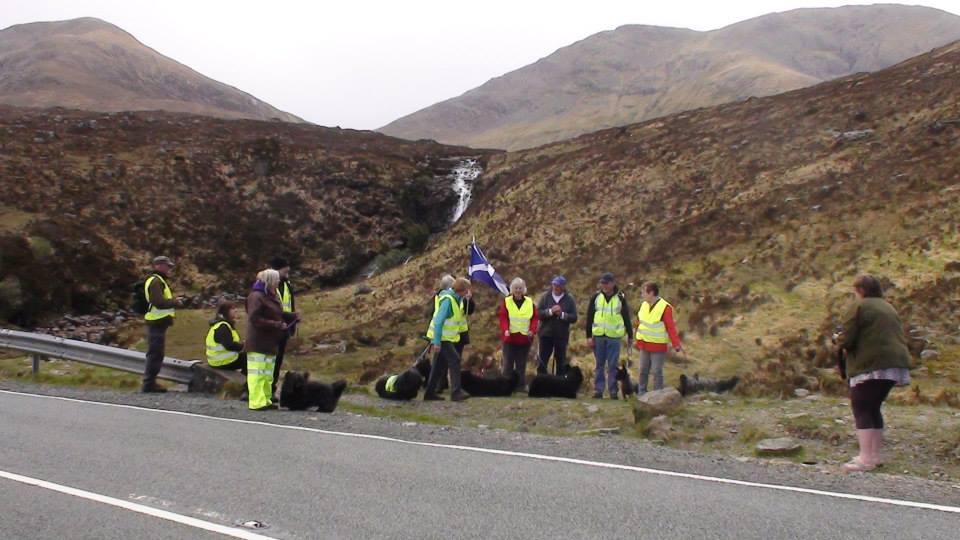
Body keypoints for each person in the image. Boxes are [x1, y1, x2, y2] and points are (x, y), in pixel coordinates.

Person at [837, 274, 911, 472]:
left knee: (861, 407)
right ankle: (874, 455)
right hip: (895, 363)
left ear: (860, 290)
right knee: (873, 407)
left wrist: (838, 339)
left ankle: (865, 459)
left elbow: (847, 338)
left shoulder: (859, 306)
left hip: (870, 364)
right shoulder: (887, 306)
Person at [245, 269, 299, 410]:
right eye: (276, 280)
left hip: (270, 342)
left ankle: (266, 398)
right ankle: (256, 401)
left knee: (267, 373)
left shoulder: (270, 296)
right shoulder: (256, 297)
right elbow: (254, 318)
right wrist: (276, 324)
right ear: (269, 281)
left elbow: (278, 314)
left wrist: (292, 316)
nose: (278, 283)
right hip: (258, 341)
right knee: (257, 372)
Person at [424, 277, 471, 402]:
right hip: (442, 338)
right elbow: (439, 322)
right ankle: (456, 392)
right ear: (461, 290)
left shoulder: (456, 299)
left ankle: (429, 393)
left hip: (445, 338)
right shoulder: (448, 300)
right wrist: (437, 342)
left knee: (438, 365)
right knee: (455, 360)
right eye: (467, 290)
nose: (468, 292)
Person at [585, 272, 632, 399]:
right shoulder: (596, 297)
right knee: (599, 364)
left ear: (613, 283)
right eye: (602, 283)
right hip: (598, 336)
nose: (604, 285)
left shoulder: (620, 298)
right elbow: (589, 317)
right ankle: (598, 390)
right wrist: (589, 336)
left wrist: (630, 335)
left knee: (613, 365)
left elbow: (626, 316)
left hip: (614, 337)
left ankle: (613, 391)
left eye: (606, 283)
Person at [141, 256, 183, 393]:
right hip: (156, 322)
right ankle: (149, 383)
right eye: (167, 266)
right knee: (155, 353)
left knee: (156, 352)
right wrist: (175, 302)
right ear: (158, 266)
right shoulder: (156, 281)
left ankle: (150, 382)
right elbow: (158, 302)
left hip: (158, 322)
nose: (169, 269)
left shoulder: (158, 281)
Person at [634, 281, 682, 394]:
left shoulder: (665, 307)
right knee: (643, 371)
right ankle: (642, 394)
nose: (642, 295)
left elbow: (670, 327)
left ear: (651, 293)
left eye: (644, 292)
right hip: (644, 345)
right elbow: (638, 322)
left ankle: (658, 396)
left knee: (657, 372)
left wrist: (676, 344)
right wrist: (635, 337)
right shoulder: (644, 305)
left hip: (658, 346)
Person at [498, 277, 539, 392]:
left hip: (525, 338)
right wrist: (505, 329)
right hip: (510, 338)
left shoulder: (530, 302)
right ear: (512, 289)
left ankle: (520, 386)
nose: (518, 290)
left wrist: (532, 330)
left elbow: (535, 318)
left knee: (521, 364)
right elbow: (503, 318)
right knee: (508, 364)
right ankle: (506, 386)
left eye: (520, 288)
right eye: (516, 288)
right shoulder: (506, 302)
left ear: (524, 289)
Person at [536, 275, 578, 375]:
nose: (556, 287)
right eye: (554, 284)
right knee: (542, 361)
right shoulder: (545, 297)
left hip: (561, 336)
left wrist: (562, 314)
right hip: (545, 335)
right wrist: (550, 312)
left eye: (558, 285)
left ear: (563, 286)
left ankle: (559, 385)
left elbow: (574, 317)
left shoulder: (569, 299)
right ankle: (541, 383)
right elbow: (538, 313)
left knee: (561, 362)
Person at [270, 257, 298, 397]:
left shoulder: (287, 285)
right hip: (272, 329)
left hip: (284, 329)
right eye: (285, 268)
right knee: (268, 362)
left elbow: (289, 304)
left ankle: (271, 389)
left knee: (277, 361)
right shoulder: (268, 286)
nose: (288, 271)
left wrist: (292, 320)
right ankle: (257, 390)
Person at [205, 300, 246, 374]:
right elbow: (229, 345)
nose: (235, 311)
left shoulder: (219, 325)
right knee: (251, 358)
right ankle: (244, 382)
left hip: (216, 360)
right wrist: (243, 345)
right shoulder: (223, 326)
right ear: (225, 312)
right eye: (232, 309)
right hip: (223, 361)